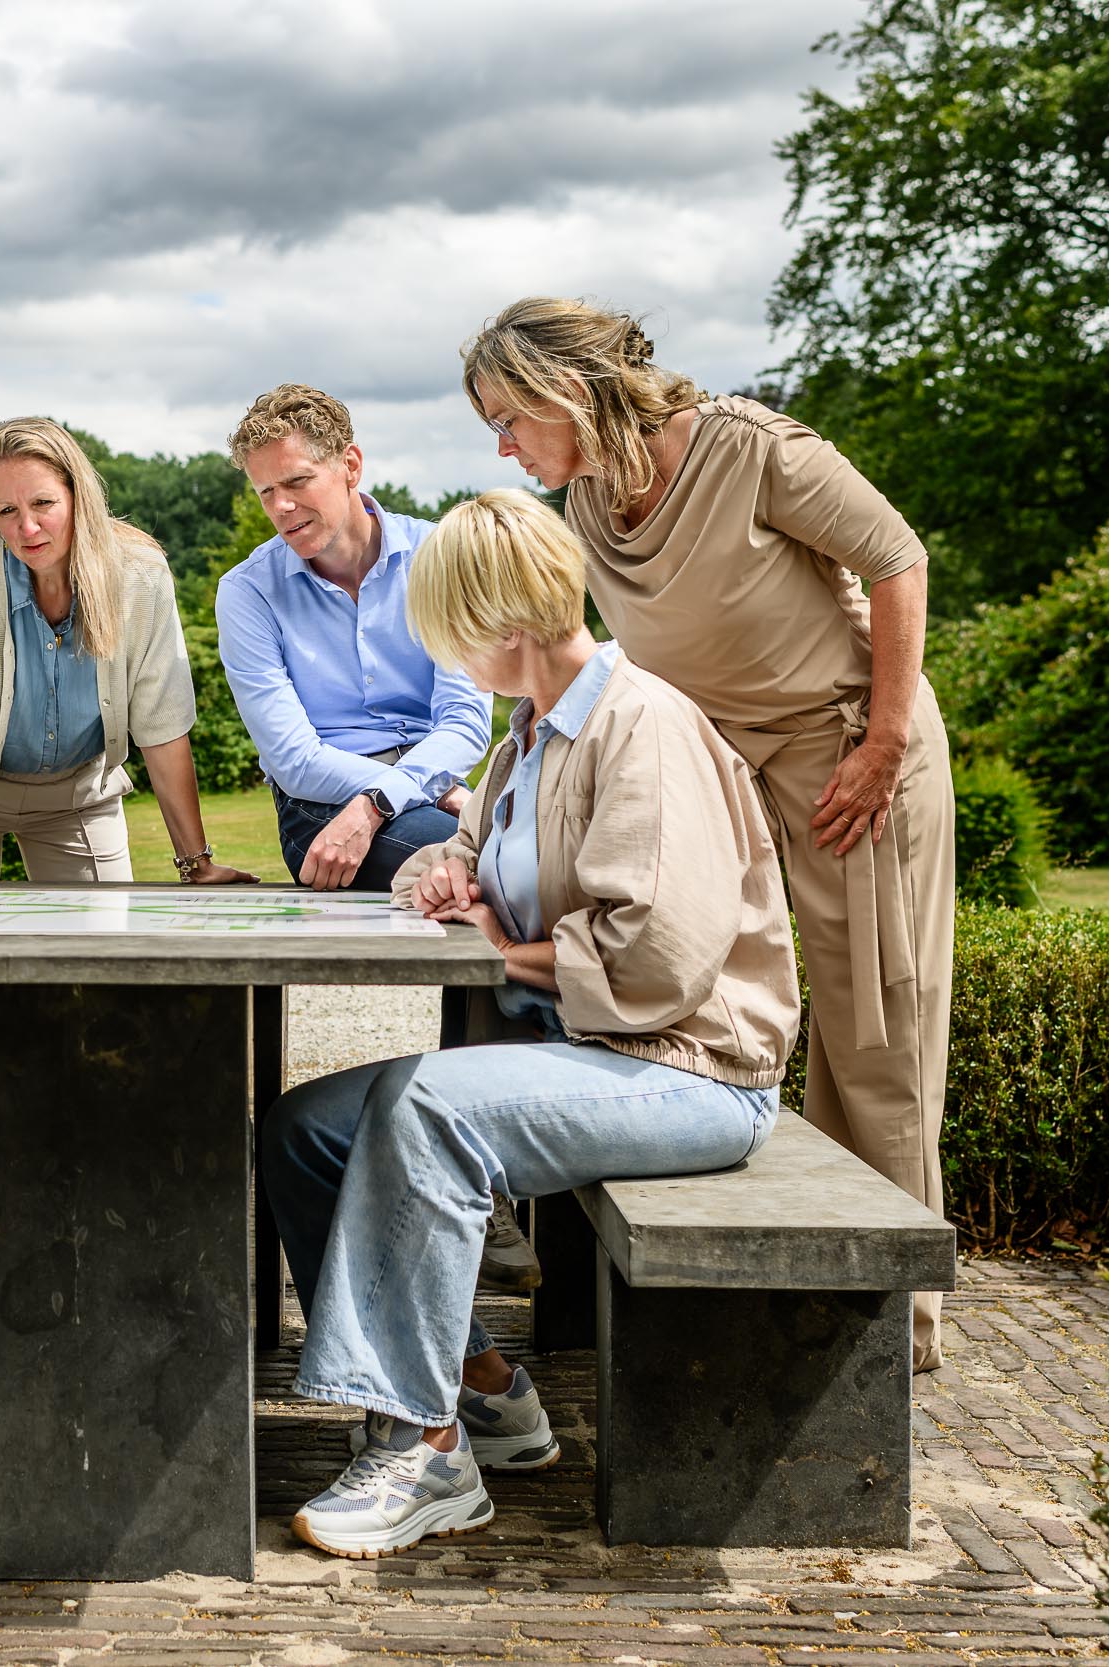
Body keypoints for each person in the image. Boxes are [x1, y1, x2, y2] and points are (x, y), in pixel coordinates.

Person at [266, 490, 799, 1559]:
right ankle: (485, 1390)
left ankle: (425, 1451)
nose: (445, 659)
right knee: (304, 1130)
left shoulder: (641, 727)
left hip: (689, 1070)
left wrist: (504, 950)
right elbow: (475, 854)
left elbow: (655, 954)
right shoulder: (530, 737)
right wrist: (444, 877)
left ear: (503, 624)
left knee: (426, 1110)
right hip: (589, 1053)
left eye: (450, 635)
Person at [464, 299, 955, 1372]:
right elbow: (578, 659)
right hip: (718, 766)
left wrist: (879, 744)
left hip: (845, 752)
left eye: (506, 417)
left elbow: (896, 558)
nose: (500, 444)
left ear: (563, 394)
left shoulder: (751, 450)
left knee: (874, 1025)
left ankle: (894, 1319)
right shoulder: (587, 499)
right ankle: (778, 1271)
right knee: (711, 997)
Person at [214, 384, 535, 1292]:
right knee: (476, 881)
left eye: (297, 483)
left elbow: (465, 715)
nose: (281, 509)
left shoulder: (437, 552)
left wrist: (378, 804)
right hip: (318, 812)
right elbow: (290, 753)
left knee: (496, 882)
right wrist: (377, 798)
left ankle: (484, 1151)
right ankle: (488, 1174)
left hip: (417, 795)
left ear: (351, 466)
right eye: (264, 492)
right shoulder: (248, 591)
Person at [0, 416, 256, 885]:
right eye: (6, 511)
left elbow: (161, 725)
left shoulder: (141, 574)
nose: (27, 527)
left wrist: (196, 864)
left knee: (100, 953)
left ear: (78, 495)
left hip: (78, 797)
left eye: (43, 503)